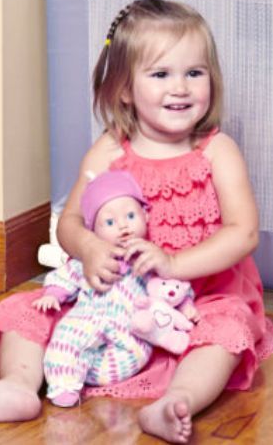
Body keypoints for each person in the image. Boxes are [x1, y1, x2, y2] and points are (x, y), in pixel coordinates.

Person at [0, 0, 273, 444]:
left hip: (197, 296)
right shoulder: (110, 149)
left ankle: (174, 401)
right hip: (113, 296)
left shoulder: (216, 151)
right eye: (161, 74)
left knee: (224, 334)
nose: (180, 88)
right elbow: (69, 223)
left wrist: (175, 264)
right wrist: (89, 249)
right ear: (124, 88)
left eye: (194, 73)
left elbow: (244, 232)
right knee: (28, 310)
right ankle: (18, 385)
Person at [35, 168, 192, 408]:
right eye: (109, 222)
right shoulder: (90, 259)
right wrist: (53, 294)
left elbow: (170, 287)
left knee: (134, 353)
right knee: (66, 337)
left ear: (146, 216)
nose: (123, 226)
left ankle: (86, 374)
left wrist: (185, 304)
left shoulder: (148, 258)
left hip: (130, 329)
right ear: (94, 231)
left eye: (130, 216)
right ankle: (64, 384)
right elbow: (66, 276)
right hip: (88, 318)